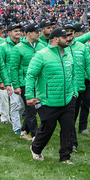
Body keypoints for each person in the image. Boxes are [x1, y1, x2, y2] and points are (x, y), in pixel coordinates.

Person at [27, 27, 79, 163]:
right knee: (47, 129)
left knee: (68, 129)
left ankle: (65, 157)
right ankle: (36, 148)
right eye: (64, 37)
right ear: (55, 39)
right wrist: (29, 95)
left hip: (67, 99)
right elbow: (31, 75)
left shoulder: (68, 54)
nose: (68, 39)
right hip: (47, 100)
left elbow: (72, 75)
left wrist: (74, 92)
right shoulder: (41, 55)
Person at [11, 24, 43, 140]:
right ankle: (35, 134)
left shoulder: (42, 46)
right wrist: (16, 85)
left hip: (38, 82)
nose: (39, 34)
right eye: (36, 32)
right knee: (31, 108)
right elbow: (14, 67)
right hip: (24, 82)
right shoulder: (18, 48)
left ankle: (24, 130)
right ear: (28, 34)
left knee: (33, 109)